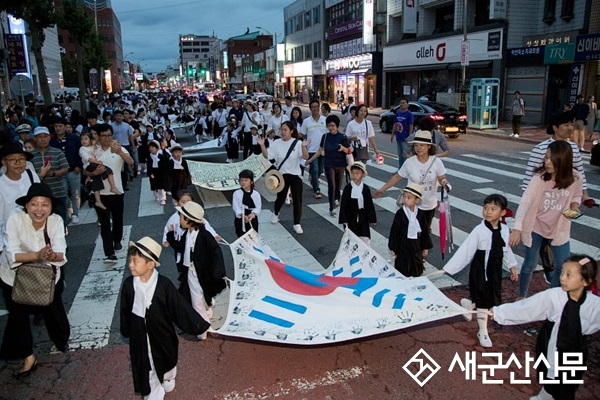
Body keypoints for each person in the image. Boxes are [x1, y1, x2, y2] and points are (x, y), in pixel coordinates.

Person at [491, 255, 600, 400]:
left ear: (585, 281)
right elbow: (527, 308)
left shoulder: (595, 304)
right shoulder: (554, 296)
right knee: (551, 378)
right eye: (562, 272)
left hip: (576, 348)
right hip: (551, 341)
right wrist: (498, 312)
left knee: (568, 383)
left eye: (569, 275)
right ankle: (544, 396)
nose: (562, 278)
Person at [120, 236, 210, 399]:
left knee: (167, 358)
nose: (130, 265)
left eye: (135, 261)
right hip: (140, 335)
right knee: (147, 366)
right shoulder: (128, 285)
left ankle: (168, 376)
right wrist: (127, 329)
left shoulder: (163, 285)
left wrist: (199, 324)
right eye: (130, 260)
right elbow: (125, 309)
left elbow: (180, 308)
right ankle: (153, 393)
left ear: (150, 264)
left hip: (163, 334)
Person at [0, 183, 69, 378]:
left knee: (53, 309)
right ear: (27, 206)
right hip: (13, 277)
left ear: (51, 207)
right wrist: (37, 255)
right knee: (18, 317)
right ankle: (28, 357)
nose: (39, 210)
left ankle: (61, 340)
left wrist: (50, 255)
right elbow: (12, 254)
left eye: (44, 205)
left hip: (47, 277)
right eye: (34, 204)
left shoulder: (55, 221)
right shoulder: (14, 219)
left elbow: (61, 253)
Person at [443, 194, 518, 348]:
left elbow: (506, 250)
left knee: (490, 297)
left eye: (493, 209)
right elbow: (466, 250)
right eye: (485, 208)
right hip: (480, 269)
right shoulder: (479, 230)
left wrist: (512, 267)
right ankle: (482, 331)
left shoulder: (504, 230)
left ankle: (469, 304)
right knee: (484, 299)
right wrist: (449, 269)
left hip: (494, 269)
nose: (488, 212)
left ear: (503, 212)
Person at [510, 140, 582, 298]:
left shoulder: (575, 178)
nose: (547, 162)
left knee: (563, 265)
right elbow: (526, 202)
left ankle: (553, 297)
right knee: (530, 263)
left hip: (559, 228)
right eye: (546, 157)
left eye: (552, 159)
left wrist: (575, 205)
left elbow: (577, 195)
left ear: (563, 161)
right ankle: (522, 296)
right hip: (535, 226)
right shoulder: (540, 178)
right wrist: (517, 228)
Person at [166, 201, 227, 340]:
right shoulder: (187, 233)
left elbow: (216, 252)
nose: (179, 219)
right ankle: (203, 324)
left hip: (202, 273)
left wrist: (218, 272)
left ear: (189, 220)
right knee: (197, 298)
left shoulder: (205, 236)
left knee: (199, 298)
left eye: (181, 217)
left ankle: (203, 325)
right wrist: (170, 235)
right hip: (191, 272)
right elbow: (179, 246)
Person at [375, 130, 449, 231]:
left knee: (424, 232)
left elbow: (441, 177)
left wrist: (444, 182)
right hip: (412, 204)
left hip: (429, 204)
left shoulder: (436, 162)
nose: (418, 148)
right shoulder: (410, 162)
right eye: (416, 145)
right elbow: (397, 177)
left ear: (429, 146)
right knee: (412, 233)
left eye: (422, 145)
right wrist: (382, 190)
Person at [83, 123, 134, 263]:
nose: (107, 138)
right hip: (100, 193)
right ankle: (109, 253)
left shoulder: (119, 148)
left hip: (117, 191)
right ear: (98, 137)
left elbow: (131, 162)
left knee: (118, 219)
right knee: (104, 223)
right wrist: (93, 172)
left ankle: (117, 239)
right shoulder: (93, 151)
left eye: (109, 135)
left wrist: (120, 152)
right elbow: (85, 170)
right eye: (104, 136)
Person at [258, 121, 309, 235]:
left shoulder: (297, 143)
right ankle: (276, 213)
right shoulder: (276, 143)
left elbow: (305, 157)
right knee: (280, 197)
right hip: (282, 175)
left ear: (291, 131)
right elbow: (268, 156)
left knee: (297, 200)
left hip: (295, 175)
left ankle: (297, 223)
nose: (283, 132)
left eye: (285, 130)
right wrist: (262, 145)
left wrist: (304, 147)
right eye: (281, 129)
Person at [306, 114, 351, 217]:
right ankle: (332, 207)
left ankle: (337, 199)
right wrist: (310, 160)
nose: (331, 128)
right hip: (329, 164)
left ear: (337, 126)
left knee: (338, 186)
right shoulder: (325, 136)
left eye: (333, 126)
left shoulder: (342, 137)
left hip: (340, 164)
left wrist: (342, 148)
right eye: (329, 126)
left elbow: (349, 150)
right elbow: (320, 150)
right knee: (332, 186)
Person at [0, 142, 40, 251]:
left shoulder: (31, 175)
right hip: (13, 243)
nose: (18, 163)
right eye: (13, 160)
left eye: (22, 159)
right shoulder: (1, 185)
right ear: (4, 162)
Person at [387, 182, 432, 277]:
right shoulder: (400, 213)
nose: (406, 200)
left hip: (416, 246)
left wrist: (425, 247)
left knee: (416, 268)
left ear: (417, 200)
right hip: (403, 246)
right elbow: (394, 231)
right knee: (402, 269)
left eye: (409, 197)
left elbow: (424, 231)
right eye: (404, 197)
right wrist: (393, 247)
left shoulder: (420, 214)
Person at [30, 126, 70, 225]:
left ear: (49, 138)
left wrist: (53, 173)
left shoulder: (57, 152)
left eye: (45, 136)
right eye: (40, 137)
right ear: (35, 139)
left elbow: (65, 169)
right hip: (38, 196)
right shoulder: (30, 156)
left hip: (58, 193)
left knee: (60, 222)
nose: (43, 139)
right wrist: (40, 174)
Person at [50, 117, 82, 225]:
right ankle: (69, 210)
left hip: (74, 170)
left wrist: (79, 165)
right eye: (56, 126)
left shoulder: (74, 138)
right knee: (63, 193)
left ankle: (75, 214)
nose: (58, 128)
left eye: (60, 126)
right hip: (59, 172)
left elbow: (80, 152)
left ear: (65, 127)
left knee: (75, 193)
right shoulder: (52, 141)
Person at [79, 131, 121, 210]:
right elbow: (87, 158)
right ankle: (112, 188)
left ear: (91, 140)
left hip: (95, 165)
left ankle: (100, 199)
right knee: (107, 171)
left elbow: (98, 153)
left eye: (85, 139)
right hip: (89, 166)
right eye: (82, 139)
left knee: (98, 179)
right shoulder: (82, 149)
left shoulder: (92, 147)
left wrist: (95, 146)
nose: (83, 141)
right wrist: (97, 162)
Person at [338, 161, 377, 245]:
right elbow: (344, 205)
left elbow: (369, 204)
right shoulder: (348, 188)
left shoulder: (365, 188)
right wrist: (344, 219)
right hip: (350, 216)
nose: (354, 175)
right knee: (351, 238)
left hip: (363, 216)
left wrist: (372, 218)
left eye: (357, 173)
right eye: (352, 173)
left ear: (362, 174)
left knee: (365, 237)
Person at [300, 99, 328, 200]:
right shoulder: (306, 121)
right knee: (315, 170)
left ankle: (313, 180)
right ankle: (317, 189)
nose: (315, 108)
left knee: (320, 169)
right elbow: (301, 134)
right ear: (310, 108)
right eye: (313, 107)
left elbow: (329, 133)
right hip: (311, 150)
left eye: (317, 106)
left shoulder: (325, 120)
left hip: (323, 150)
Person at [232, 169, 261, 237]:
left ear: (251, 182)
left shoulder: (256, 194)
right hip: (241, 217)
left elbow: (258, 206)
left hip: (252, 216)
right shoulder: (236, 193)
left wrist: (253, 214)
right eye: (241, 180)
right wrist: (242, 215)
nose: (243, 182)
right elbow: (235, 206)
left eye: (246, 180)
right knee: (241, 236)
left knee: (253, 236)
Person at [390, 98, 414, 168]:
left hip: (405, 138)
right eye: (401, 103)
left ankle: (407, 170)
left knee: (405, 155)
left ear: (407, 105)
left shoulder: (409, 114)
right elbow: (395, 124)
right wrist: (392, 134)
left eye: (404, 103)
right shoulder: (398, 113)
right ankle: (400, 170)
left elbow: (411, 125)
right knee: (400, 155)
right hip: (399, 137)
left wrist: (409, 137)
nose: (402, 104)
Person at [147, 140, 170, 206]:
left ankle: (163, 198)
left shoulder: (160, 156)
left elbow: (165, 165)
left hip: (161, 172)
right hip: (153, 172)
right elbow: (148, 166)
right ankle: (156, 196)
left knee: (162, 186)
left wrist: (165, 173)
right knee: (154, 186)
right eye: (150, 147)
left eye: (152, 147)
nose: (151, 149)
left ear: (157, 148)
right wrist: (150, 173)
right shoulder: (149, 157)